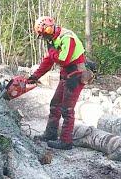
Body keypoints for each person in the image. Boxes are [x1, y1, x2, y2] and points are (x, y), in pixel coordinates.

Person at [28, 16, 90, 150]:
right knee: (55, 105)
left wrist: (51, 51)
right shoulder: (54, 39)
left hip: (75, 75)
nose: (44, 38)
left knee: (67, 110)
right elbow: (48, 61)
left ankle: (66, 141)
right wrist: (34, 76)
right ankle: (50, 134)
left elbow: (64, 59)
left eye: (44, 35)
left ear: (48, 29)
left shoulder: (67, 38)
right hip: (66, 75)